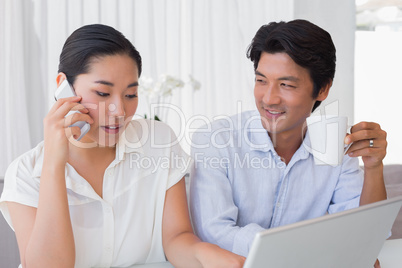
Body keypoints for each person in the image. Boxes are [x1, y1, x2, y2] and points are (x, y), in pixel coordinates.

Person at [0, 24, 245, 268]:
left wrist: (207, 255)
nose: (119, 111)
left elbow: (176, 238)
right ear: (64, 87)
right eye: (103, 93)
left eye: (130, 95)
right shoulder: (25, 173)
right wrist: (53, 164)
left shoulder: (159, 142)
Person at [189, 19, 387, 267]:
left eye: (286, 85)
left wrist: (373, 167)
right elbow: (213, 232)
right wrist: (305, 251)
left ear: (323, 89)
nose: (269, 98)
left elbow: (363, 235)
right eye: (261, 81)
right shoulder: (216, 140)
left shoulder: (335, 144)